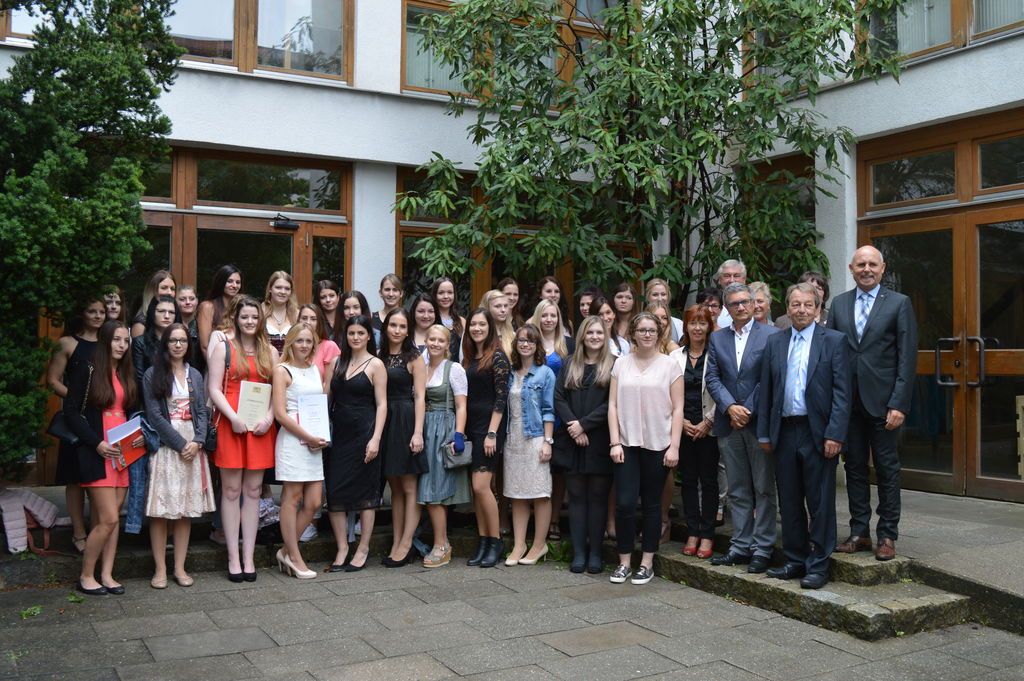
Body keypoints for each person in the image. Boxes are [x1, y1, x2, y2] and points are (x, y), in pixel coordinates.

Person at [758, 283, 851, 589]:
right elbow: (767, 391)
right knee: (789, 500)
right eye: (795, 304)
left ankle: (819, 565)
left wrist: (835, 434)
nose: (801, 310)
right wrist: (765, 433)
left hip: (818, 433)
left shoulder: (834, 341)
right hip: (784, 431)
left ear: (818, 309)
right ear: (787, 308)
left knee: (820, 501)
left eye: (808, 305)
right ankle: (795, 559)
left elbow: (842, 393)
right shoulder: (775, 341)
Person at [829, 245, 917, 561]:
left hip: (884, 405)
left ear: (882, 268)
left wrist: (899, 404)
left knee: (887, 469)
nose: (866, 269)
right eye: (861, 264)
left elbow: (907, 358)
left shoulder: (899, 303)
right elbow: (832, 356)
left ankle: (887, 534)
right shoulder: (839, 304)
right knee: (853, 468)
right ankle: (859, 532)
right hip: (848, 404)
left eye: (872, 264)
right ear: (851, 269)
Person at [64, 320, 143, 595]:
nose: (122, 345)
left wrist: (138, 436)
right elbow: (71, 412)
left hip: (122, 452)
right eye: (116, 339)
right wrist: (96, 443)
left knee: (113, 519)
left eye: (126, 340)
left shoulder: (125, 372)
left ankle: (107, 575)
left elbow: (129, 412)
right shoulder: (87, 370)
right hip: (97, 451)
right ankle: (86, 576)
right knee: (108, 518)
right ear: (105, 341)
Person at [706, 283, 780, 573]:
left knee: (763, 488)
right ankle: (740, 546)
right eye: (734, 303)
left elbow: (770, 377)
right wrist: (729, 407)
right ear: (727, 308)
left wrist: (746, 409)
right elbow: (713, 378)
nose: (740, 307)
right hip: (729, 422)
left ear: (753, 303)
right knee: (737, 489)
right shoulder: (717, 338)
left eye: (744, 302)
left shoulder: (771, 335)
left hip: (757, 422)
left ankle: (762, 548)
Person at [607, 313, 684, 585]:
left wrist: (674, 446)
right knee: (625, 503)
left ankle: (647, 562)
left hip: (658, 443)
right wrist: (615, 442)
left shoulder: (670, 366)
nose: (647, 334)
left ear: (659, 333)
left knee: (652, 505)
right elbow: (612, 405)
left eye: (652, 330)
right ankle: (624, 562)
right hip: (626, 444)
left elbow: (678, 409)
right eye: (642, 330)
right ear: (633, 334)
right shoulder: (621, 364)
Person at [207, 296, 279, 582]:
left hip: (260, 426)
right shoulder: (223, 347)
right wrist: (232, 417)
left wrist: (270, 419)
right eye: (244, 316)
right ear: (236, 319)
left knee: (253, 491)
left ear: (260, 320)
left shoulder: (270, 351)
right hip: (231, 423)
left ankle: (249, 558)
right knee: (231, 490)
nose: (250, 321)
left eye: (254, 317)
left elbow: (277, 391)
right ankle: (233, 557)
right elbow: (214, 389)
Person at [142, 324, 216, 589]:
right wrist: (180, 443)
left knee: (185, 510)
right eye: (173, 340)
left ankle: (180, 567)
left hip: (192, 446)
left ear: (188, 344)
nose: (177, 345)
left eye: (182, 340)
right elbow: (154, 415)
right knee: (161, 511)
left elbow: (202, 412)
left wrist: (197, 441)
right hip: (167, 445)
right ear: (165, 344)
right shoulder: (152, 374)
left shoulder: (194, 374)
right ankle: (160, 569)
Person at [324, 316, 388, 572]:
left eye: (361, 333)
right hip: (339, 436)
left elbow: (382, 404)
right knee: (335, 491)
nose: (356, 337)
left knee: (366, 495)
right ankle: (342, 547)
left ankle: (363, 548)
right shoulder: (336, 363)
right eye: (351, 333)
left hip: (365, 435)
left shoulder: (376, 364)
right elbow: (326, 399)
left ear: (369, 335)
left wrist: (376, 439)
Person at [553, 316, 613, 574]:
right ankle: (578, 554)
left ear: (605, 336)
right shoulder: (569, 363)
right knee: (576, 498)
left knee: (598, 498)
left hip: (600, 440)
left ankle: (596, 554)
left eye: (599, 333)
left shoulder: (614, 365)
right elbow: (558, 397)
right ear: (582, 336)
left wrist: (584, 425)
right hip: (572, 440)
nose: (595, 337)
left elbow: (612, 403)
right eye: (590, 333)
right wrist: (574, 426)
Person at [47, 297, 105, 553]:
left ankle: (98, 532)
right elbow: (52, 380)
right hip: (75, 416)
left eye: (102, 311)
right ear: (82, 313)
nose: (98, 315)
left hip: (101, 416)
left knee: (97, 477)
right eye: (92, 311)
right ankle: (79, 532)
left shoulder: (108, 342)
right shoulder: (67, 343)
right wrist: (76, 399)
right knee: (74, 478)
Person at [272, 325, 329, 580]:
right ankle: (295, 556)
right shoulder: (282, 370)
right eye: (299, 341)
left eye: (308, 341)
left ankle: (285, 550)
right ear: (290, 343)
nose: (304, 345)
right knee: (292, 498)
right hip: (294, 441)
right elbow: (280, 414)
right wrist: (308, 436)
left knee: (315, 502)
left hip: (314, 442)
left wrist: (321, 436)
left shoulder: (315, 369)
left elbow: (318, 406)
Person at [502, 323, 556, 566]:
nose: (525, 344)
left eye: (530, 341)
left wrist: (547, 442)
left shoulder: (545, 373)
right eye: (522, 340)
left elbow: (548, 409)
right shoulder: (510, 373)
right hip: (512, 439)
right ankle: (519, 544)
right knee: (517, 494)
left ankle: (539, 544)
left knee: (540, 493)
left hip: (535, 437)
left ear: (537, 345)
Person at [669, 305, 719, 559]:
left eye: (702, 323)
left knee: (709, 481)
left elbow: (723, 389)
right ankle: (692, 531)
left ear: (709, 326)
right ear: (685, 327)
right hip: (684, 428)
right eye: (693, 323)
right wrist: (682, 422)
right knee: (688, 481)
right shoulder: (674, 357)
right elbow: (665, 392)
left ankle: (707, 534)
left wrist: (708, 421)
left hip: (709, 429)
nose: (697, 328)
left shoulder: (717, 354)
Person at [462, 307, 510, 568]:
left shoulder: (498, 357)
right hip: (471, 426)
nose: (477, 328)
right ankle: (483, 541)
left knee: (482, 486)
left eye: (482, 324)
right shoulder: (469, 358)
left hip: (489, 428)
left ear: (490, 327)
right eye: (473, 324)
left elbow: (501, 398)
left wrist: (492, 433)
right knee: (477, 489)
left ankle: (496, 541)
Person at [379, 308, 427, 567]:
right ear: (386, 327)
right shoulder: (380, 355)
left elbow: (420, 397)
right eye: (393, 325)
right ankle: (396, 541)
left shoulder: (414, 357)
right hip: (385, 421)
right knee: (395, 487)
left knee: (409, 486)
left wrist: (418, 432)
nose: (397, 330)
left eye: (402, 326)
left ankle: (407, 543)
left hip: (406, 420)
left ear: (408, 330)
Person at [417, 324, 467, 568]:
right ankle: (439, 541)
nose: (435, 344)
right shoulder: (421, 367)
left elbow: (461, 405)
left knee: (436, 488)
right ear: (426, 341)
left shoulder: (454, 368)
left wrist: (459, 434)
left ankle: (442, 545)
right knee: (426, 487)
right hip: (424, 428)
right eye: (432, 339)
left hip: (443, 428)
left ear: (448, 345)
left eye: (441, 340)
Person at [529, 299, 574, 540]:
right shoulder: (529, 341)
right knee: (535, 467)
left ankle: (554, 519)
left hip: (559, 413)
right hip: (533, 412)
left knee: (557, 471)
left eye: (553, 315)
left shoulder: (567, 345)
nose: (549, 319)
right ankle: (535, 520)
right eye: (544, 315)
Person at [133, 296, 181, 393]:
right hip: (150, 396)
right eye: (161, 311)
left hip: (181, 395)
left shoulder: (183, 342)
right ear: (152, 313)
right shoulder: (140, 342)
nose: (167, 316)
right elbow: (140, 380)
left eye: (171, 312)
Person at [197, 264, 242, 356]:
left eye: (238, 282)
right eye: (229, 281)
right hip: (215, 360)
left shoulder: (241, 307)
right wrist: (214, 364)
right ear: (221, 282)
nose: (234, 285)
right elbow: (205, 346)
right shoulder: (208, 307)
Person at [297, 304, 341, 380]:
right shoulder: (293, 345)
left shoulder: (329, 346)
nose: (308, 322)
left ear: (319, 322)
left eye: (313, 319)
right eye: (304, 318)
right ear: (298, 321)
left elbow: (329, 383)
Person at [131, 270, 176, 338]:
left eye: (172, 289)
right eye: (164, 288)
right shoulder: (141, 325)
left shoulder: (176, 318)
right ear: (152, 290)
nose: (169, 292)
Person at [263, 271, 298, 354]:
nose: (283, 292)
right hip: (264, 360)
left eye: (287, 289)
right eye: (278, 287)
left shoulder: (297, 314)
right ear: (270, 289)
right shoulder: (260, 312)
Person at [431, 277, 466, 357]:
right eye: (441, 293)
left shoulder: (461, 321)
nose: (446, 296)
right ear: (434, 295)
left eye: (450, 292)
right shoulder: (430, 319)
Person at [646, 278, 684, 343]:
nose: (660, 299)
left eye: (663, 294)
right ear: (648, 297)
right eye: (655, 294)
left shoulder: (678, 324)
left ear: (668, 297)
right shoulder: (638, 323)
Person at [479, 289, 515, 356]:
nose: (503, 310)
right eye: (498, 306)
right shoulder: (477, 332)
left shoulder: (512, 334)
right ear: (487, 308)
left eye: (505, 306)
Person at [713, 259, 747, 329]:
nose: (732, 280)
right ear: (719, 280)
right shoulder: (712, 306)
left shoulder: (753, 302)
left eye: (736, 276)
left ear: (744, 279)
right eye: (727, 276)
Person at [176, 285, 201, 366]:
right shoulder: (171, 325)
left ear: (197, 301)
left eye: (192, 299)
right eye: (182, 299)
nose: (188, 302)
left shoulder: (202, 326)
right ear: (176, 301)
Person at [611, 283, 637, 353]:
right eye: (619, 297)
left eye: (628, 298)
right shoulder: (608, 322)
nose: (623, 301)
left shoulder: (640, 323)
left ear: (634, 302)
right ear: (613, 299)